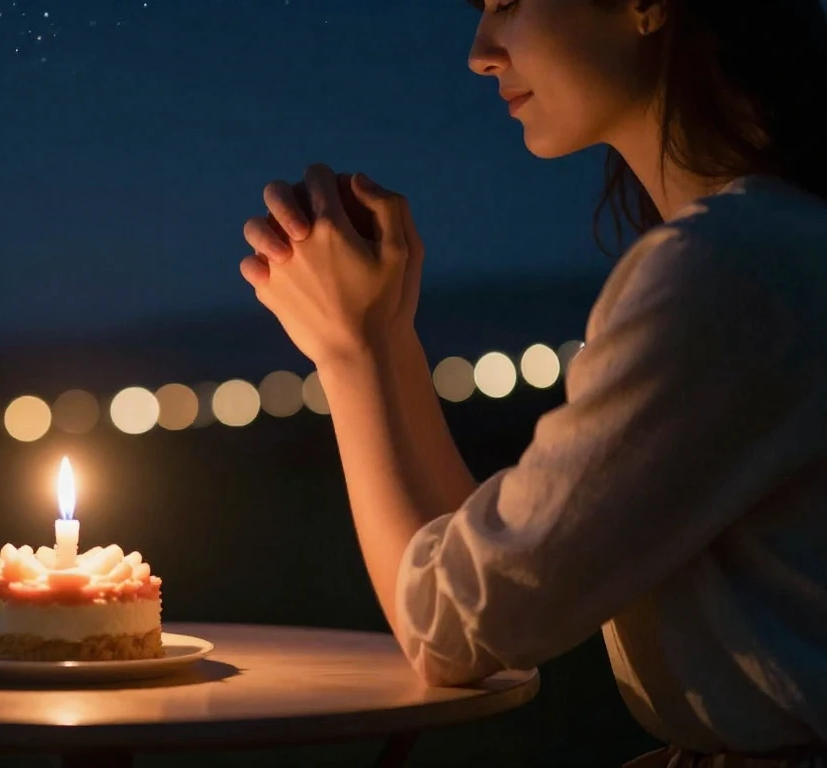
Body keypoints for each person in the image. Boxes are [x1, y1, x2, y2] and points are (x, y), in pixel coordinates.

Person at [238, 1, 827, 766]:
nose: (480, 51)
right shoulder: (774, 244)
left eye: (509, 2)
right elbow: (488, 575)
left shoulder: (728, 271)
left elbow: (449, 631)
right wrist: (383, 336)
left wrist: (351, 354)